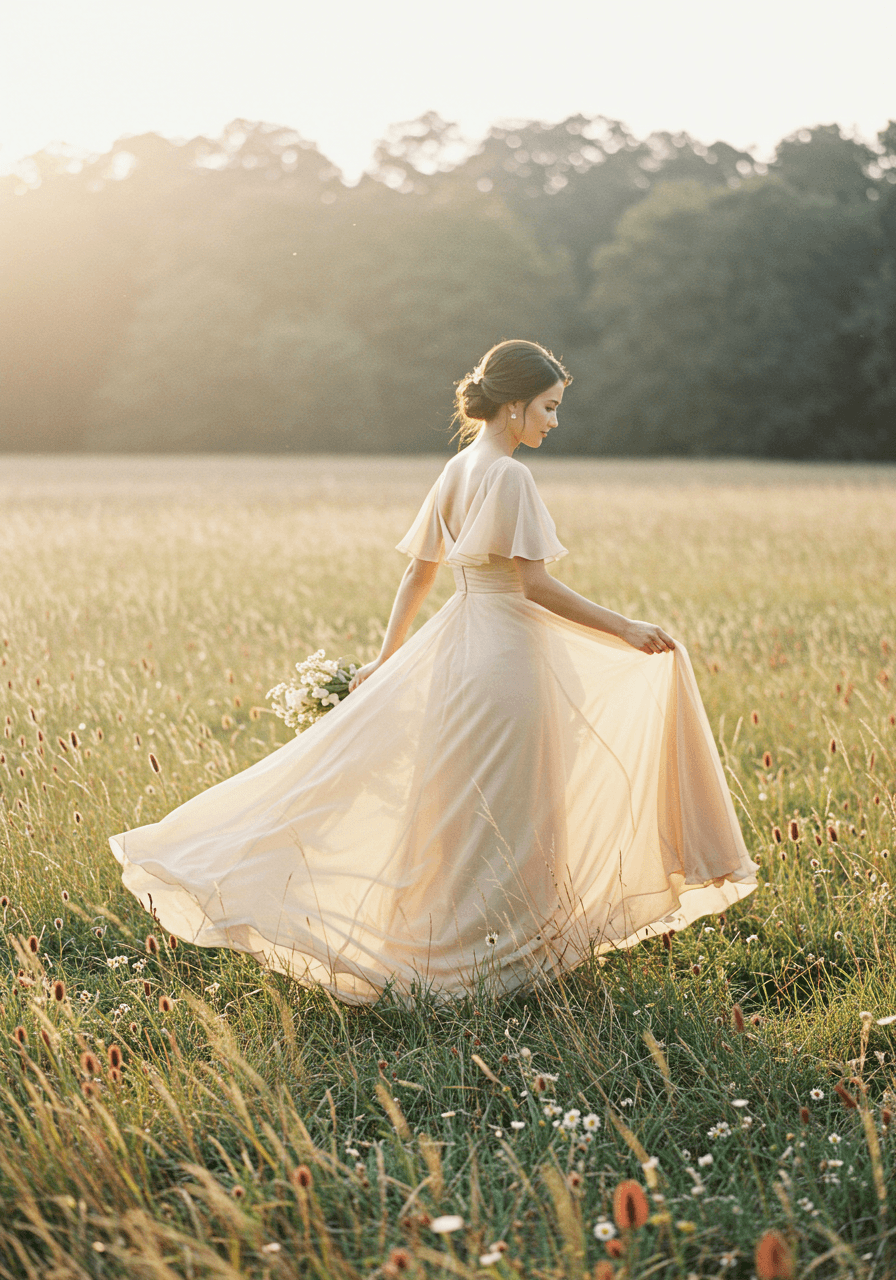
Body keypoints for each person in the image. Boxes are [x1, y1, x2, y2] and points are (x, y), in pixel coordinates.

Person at [109, 339, 757, 1005]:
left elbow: (418, 573)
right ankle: (490, 959)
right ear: (512, 406)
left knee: (463, 807)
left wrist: (388, 662)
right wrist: (624, 626)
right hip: (505, 656)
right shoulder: (510, 477)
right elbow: (532, 584)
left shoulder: (457, 469)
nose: (554, 422)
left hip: (458, 651)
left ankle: (458, 946)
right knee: (513, 807)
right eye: (549, 407)